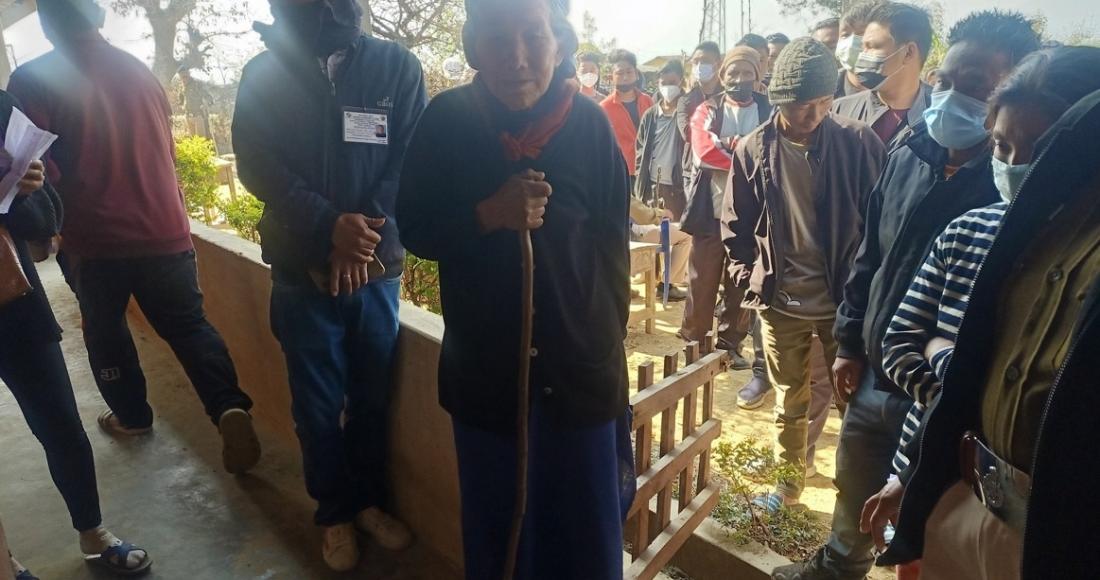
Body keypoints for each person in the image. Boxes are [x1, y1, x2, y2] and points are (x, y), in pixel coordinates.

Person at [771, 10, 1040, 580]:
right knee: (857, 484)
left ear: (1014, 96)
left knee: (928, 511)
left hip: (949, 396)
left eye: (976, 87)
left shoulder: (1017, 194)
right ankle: (839, 567)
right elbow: (870, 255)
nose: (952, 96)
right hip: (874, 369)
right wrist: (849, 341)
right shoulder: (909, 151)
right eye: (946, 80)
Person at [397, 0, 635, 577]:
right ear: (474, 45)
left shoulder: (590, 126)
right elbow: (415, 226)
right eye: (499, 37)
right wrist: (487, 214)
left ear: (559, 43)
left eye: (535, 36)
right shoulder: (447, 120)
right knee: (503, 539)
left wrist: (601, 351)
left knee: (586, 538)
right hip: (488, 379)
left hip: (581, 379)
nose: (519, 56)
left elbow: (612, 249)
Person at [861, 46, 1100, 580]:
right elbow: (899, 339)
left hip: (1049, 531)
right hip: (941, 472)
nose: (1014, 167)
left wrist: (947, 357)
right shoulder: (970, 232)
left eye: (1036, 152)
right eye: (1001, 145)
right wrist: (961, 396)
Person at [7, 0, 261, 472]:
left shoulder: (33, 80)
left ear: (47, 23)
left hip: (95, 240)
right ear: (99, 17)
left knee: (105, 330)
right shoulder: (138, 72)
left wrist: (43, 230)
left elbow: (35, 167)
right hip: (167, 230)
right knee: (190, 327)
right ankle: (229, 406)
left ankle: (132, 416)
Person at [231, 0, 426, 571]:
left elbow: (410, 160)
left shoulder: (397, 66)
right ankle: (334, 513)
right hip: (301, 269)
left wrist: (360, 233)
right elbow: (256, 163)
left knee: (370, 399)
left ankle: (368, 503)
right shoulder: (262, 75)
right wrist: (326, 228)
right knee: (316, 406)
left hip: (376, 268)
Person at [723, 37, 887, 512]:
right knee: (789, 404)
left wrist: (869, 292)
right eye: (799, 105)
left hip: (846, 305)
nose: (811, 114)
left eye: (822, 103)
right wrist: (748, 276)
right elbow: (735, 224)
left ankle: (852, 497)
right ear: (777, 99)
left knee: (854, 406)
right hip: (781, 304)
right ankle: (788, 487)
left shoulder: (859, 143)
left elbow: (881, 225)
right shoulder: (753, 149)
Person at [0, 89, 153, 577]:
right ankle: (5, 561)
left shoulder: (0, 108)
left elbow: (44, 222)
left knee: (61, 421)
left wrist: (28, 187)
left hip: (12, 298)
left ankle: (93, 532)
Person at [678, 46, 770, 365]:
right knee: (701, 279)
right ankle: (695, 344)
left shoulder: (771, 110)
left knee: (740, 282)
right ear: (723, 75)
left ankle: (729, 344)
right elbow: (704, 153)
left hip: (752, 215)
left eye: (746, 73)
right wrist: (746, 151)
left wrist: (731, 145)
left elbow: (773, 152)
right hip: (711, 212)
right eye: (733, 73)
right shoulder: (707, 109)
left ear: (757, 77)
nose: (739, 79)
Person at [832, 1, 933, 151]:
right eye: (862, 47)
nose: (862, 55)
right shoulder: (838, 112)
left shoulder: (941, 118)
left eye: (872, 47)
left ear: (909, 52)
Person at [634, 59, 691, 301]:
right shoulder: (650, 114)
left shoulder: (687, 113)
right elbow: (640, 148)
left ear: (682, 82)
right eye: (664, 82)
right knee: (654, 232)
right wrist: (641, 177)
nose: (668, 87)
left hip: (676, 185)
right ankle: (654, 281)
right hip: (652, 184)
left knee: (680, 233)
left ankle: (670, 281)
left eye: (673, 82)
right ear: (658, 83)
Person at [601, 49, 653, 190]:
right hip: (621, 173)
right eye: (619, 73)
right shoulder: (604, 108)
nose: (625, 77)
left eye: (629, 72)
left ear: (636, 74)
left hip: (649, 170)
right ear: (611, 77)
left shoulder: (648, 102)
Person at [834, 1, 886, 98]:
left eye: (862, 34)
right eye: (846, 35)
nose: (852, 42)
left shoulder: (903, 91)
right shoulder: (821, 93)